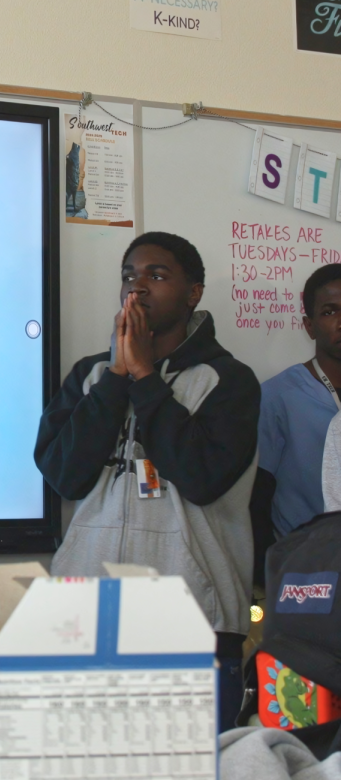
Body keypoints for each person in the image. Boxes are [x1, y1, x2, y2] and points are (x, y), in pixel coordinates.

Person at [35, 231, 260, 731]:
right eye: (129, 276)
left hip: (192, 621)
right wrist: (118, 378)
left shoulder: (229, 380)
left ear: (193, 292)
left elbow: (201, 476)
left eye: (157, 276)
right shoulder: (91, 377)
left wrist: (145, 378)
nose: (137, 288)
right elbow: (63, 475)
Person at [258, 264, 341, 537]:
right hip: (308, 565)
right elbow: (255, 497)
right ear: (310, 326)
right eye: (329, 312)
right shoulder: (278, 397)